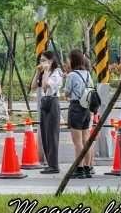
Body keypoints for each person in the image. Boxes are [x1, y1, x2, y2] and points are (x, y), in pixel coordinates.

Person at [64, 48, 95, 178]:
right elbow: (91, 89)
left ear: (72, 60)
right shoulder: (88, 74)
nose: (67, 61)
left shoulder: (71, 75)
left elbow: (66, 92)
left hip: (76, 107)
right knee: (85, 140)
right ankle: (87, 168)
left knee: (77, 142)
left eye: (69, 59)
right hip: (86, 108)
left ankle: (79, 168)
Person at [32, 50, 64, 174]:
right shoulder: (46, 72)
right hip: (45, 102)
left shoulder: (56, 73)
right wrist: (38, 72)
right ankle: (50, 164)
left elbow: (46, 86)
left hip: (53, 102)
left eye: (44, 60)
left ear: (51, 61)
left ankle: (54, 165)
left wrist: (45, 71)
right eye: (41, 60)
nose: (42, 62)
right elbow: (34, 86)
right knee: (45, 134)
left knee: (52, 135)